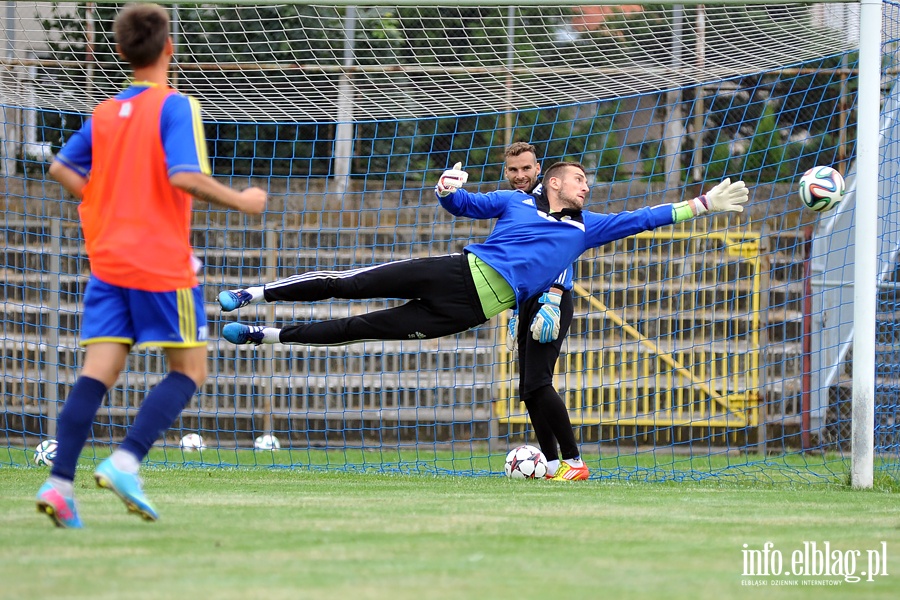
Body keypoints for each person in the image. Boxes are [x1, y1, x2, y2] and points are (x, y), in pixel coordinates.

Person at [218, 161, 747, 469]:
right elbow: (462, 204)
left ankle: (265, 336)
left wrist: (702, 205)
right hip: (453, 271)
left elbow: (646, 218)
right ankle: (253, 294)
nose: (587, 186)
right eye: (579, 179)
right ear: (556, 183)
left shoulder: (587, 228)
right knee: (352, 283)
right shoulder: (516, 203)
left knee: (361, 330)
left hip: (467, 309)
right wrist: (447, 189)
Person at [36, 3, 267, 528]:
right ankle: (125, 461)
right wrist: (243, 200)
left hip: (108, 260)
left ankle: (59, 485)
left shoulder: (103, 112)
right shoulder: (175, 105)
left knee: (98, 371)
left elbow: (60, 167)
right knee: (189, 369)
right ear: (169, 49)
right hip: (160, 260)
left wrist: (109, 202)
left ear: (119, 52)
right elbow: (184, 176)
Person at [502, 142, 585, 480]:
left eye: (526, 168)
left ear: (539, 169)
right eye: (513, 170)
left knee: (539, 381)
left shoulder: (555, 197)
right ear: (505, 172)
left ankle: (574, 460)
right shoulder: (519, 204)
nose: (520, 175)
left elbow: (565, 248)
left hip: (553, 298)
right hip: (528, 300)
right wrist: (515, 309)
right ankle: (551, 465)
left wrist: (552, 295)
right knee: (529, 388)